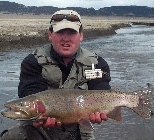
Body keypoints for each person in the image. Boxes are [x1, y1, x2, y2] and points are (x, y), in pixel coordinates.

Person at [1, 10, 111, 140]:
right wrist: (39, 118)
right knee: (12, 137)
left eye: (72, 33)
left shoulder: (97, 63)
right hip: (40, 130)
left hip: (80, 131)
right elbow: (30, 92)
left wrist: (101, 111)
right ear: (50, 34)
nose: (66, 38)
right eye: (60, 32)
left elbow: (102, 90)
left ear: (81, 36)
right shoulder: (33, 61)